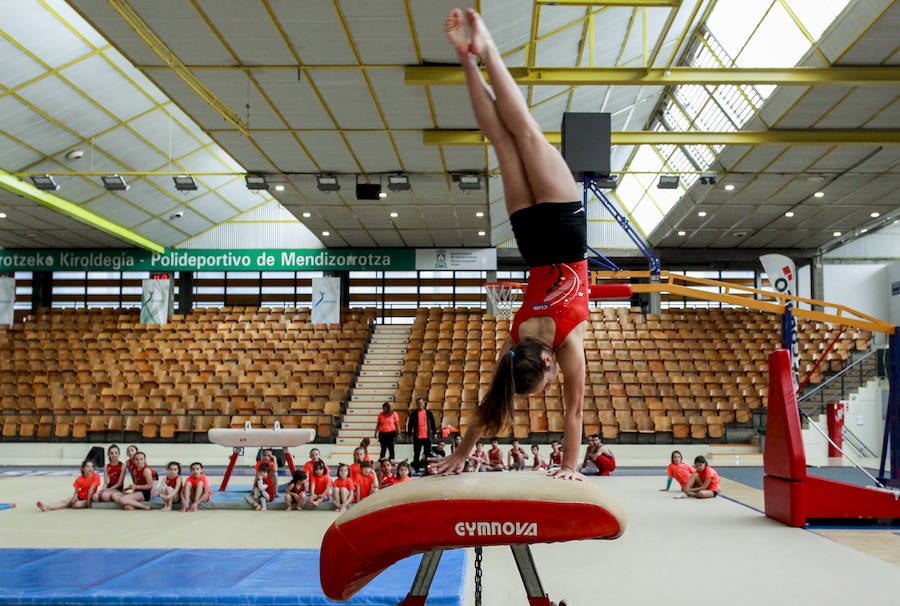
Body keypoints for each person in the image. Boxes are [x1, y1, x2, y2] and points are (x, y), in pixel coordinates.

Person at [432, 8, 589, 481]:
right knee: (502, 140)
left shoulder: (566, 346)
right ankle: (467, 58)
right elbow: (492, 404)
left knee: (522, 132)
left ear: (546, 361)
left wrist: (568, 467)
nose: (554, 381)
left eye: (547, 380)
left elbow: (575, 411)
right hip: (531, 239)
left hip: (564, 233)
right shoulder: (515, 340)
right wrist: (461, 453)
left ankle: (486, 46)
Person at [406, 397, 436, 472]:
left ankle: (427, 469)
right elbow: (410, 425)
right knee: (416, 454)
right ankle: (416, 469)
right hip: (417, 437)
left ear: (424, 404)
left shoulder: (429, 413)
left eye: (421, 403)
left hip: (427, 437)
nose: (420, 405)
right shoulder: (413, 414)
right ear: (416, 404)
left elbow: (433, 424)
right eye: (418, 403)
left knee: (427, 454)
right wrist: (410, 435)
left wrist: (434, 433)